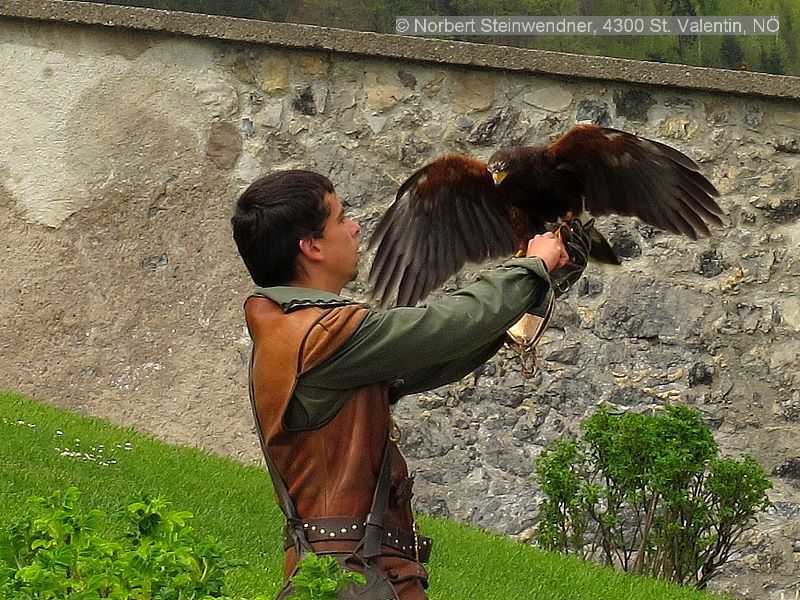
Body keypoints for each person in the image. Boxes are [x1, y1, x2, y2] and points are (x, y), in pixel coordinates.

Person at [231, 169, 571, 599]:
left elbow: (434, 355)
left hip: (357, 571)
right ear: (311, 246)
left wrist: (535, 291)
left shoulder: (301, 331)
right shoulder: (320, 335)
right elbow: (442, 326)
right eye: (340, 218)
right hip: (347, 580)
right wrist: (530, 268)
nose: (354, 227)